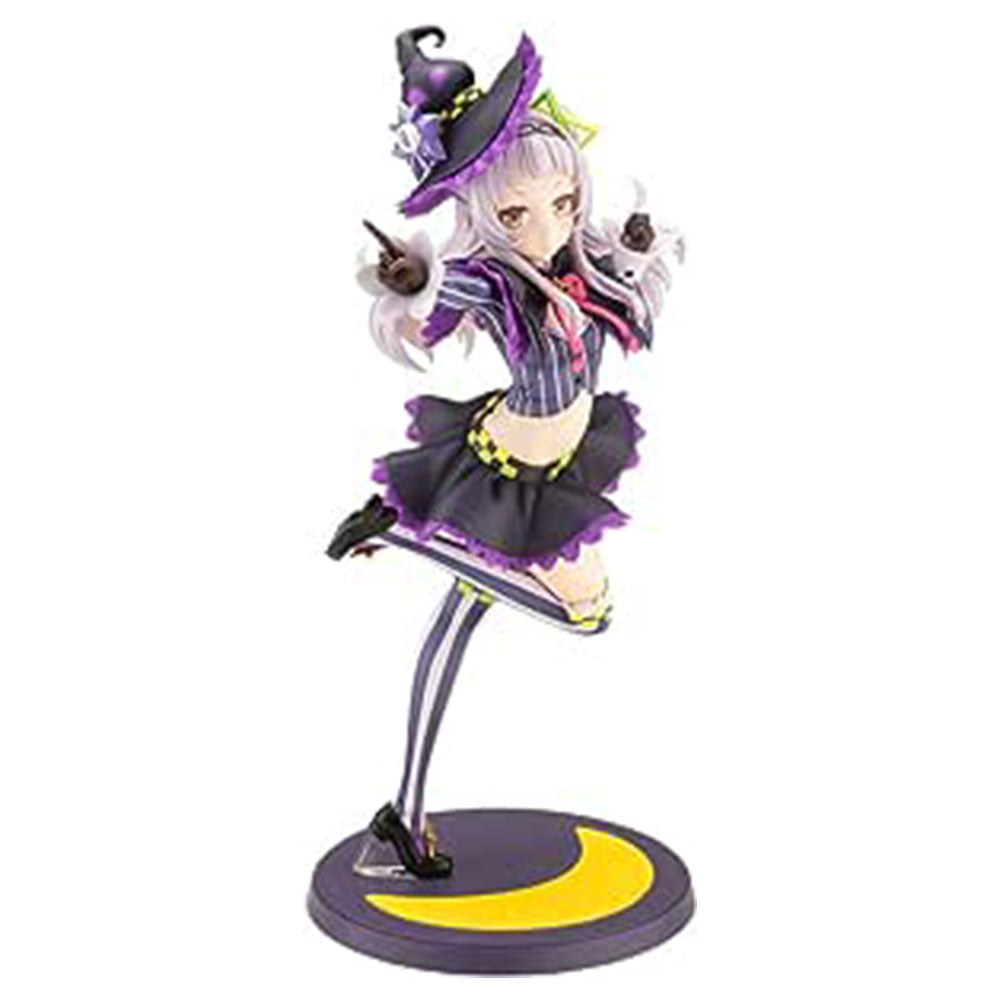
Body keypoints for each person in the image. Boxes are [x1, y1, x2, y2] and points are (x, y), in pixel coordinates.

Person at [327, 26, 683, 878]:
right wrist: (410, 280)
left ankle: (400, 822)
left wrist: (634, 245)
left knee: (455, 628)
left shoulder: (581, 265)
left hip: (556, 462)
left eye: (562, 202)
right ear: (487, 216)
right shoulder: (491, 278)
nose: (545, 226)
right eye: (516, 214)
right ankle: (400, 531)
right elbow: (431, 302)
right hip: (509, 476)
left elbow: (628, 262)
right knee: (585, 613)